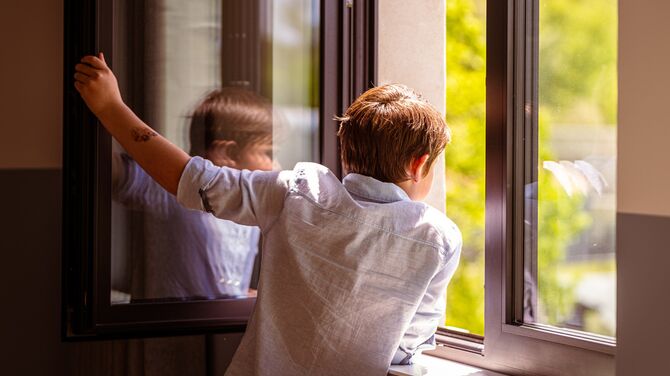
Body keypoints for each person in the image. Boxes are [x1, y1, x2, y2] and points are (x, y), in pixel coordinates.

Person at [75, 53, 461, 376]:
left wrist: (110, 107)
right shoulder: (438, 238)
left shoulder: (297, 192)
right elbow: (407, 347)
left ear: (346, 155)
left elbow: (191, 178)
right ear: (419, 163)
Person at [112, 87, 275, 300]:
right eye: (268, 153)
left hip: (222, 330)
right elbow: (112, 169)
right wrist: (110, 106)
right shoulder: (167, 189)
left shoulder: (250, 208)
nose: (274, 165)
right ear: (229, 153)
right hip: (176, 329)